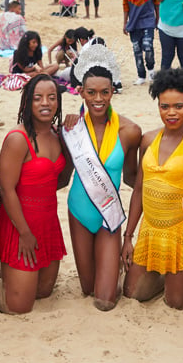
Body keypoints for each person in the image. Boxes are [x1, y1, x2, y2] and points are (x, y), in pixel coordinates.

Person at [122, 69, 183, 309]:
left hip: (180, 232)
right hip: (150, 229)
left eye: (178, 106)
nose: (171, 113)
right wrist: (128, 237)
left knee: (178, 302)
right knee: (133, 294)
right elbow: (138, 190)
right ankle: (167, 276)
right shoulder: (148, 140)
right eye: (164, 106)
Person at [0, 74, 70, 314]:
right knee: (18, 305)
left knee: (43, 291)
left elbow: (58, 181)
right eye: (38, 98)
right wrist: (24, 233)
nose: (45, 103)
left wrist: (70, 143)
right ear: (27, 103)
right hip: (20, 225)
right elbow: (7, 189)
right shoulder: (18, 139)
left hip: (48, 223)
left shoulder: (56, 135)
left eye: (52, 98)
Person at [62, 61, 141, 309]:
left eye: (104, 92)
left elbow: (131, 176)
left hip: (109, 216)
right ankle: (108, 266)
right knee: (87, 289)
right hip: (78, 212)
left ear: (112, 92)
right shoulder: (72, 129)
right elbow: (62, 176)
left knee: (105, 301)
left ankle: (111, 267)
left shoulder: (129, 131)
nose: (98, 98)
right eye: (91, 92)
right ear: (81, 92)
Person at [122, 0, 159, 85]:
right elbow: (125, 4)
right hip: (133, 22)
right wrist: (125, 22)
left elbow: (156, 1)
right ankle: (141, 75)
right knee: (137, 50)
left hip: (148, 19)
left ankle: (151, 70)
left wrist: (157, 19)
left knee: (148, 48)